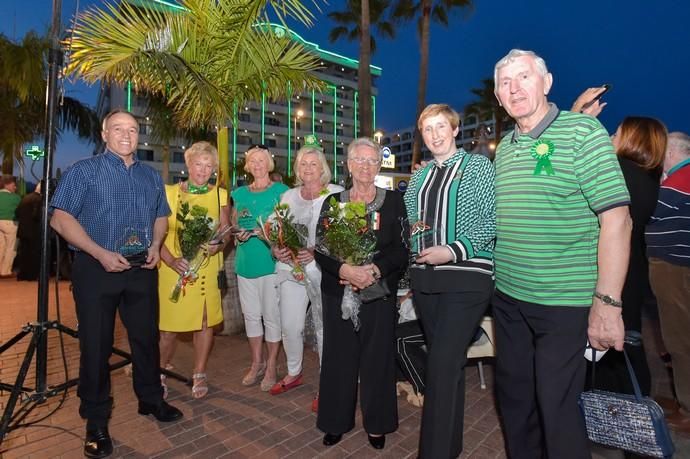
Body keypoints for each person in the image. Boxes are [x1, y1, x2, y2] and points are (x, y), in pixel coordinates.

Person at [492, 49, 632, 459]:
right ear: (499, 97)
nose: (515, 88)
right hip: (509, 299)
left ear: (546, 82)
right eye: (505, 82)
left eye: (523, 77)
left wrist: (607, 304)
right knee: (515, 402)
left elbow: (617, 220)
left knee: (557, 409)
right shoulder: (506, 146)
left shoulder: (582, 134)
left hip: (564, 303)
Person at [50, 110, 183, 459]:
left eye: (133, 129)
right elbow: (60, 218)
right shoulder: (84, 171)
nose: (126, 135)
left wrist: (156, 246)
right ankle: (95, 421)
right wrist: (98, 253)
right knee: (96, 346)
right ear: (105, 133)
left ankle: (151, 400)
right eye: (118, 129)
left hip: (142, 268)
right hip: (96, 269)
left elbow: (160, 217)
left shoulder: (150, 176)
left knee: (145, 340)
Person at [404, 103, 496, 458]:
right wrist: (416, 245)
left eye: (441, 126)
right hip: (425, 281)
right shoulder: (419, 177)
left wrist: (453, 250)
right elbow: (412, 224)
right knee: (450, 363)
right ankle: (451, 446)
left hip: (467, 278)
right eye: (428, 129)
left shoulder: (478, 167)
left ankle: (434, 452)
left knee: (441, 362)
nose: (435, 135)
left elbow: (492, 220)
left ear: (455, 130)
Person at [314, 137, 408, 450]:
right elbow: (321, 250)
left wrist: (374, 270)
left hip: (378, 292)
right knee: (338, 359)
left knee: (377, 359)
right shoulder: (333, 202)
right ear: (350, 164)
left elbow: (401, 249)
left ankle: (377, 424)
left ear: (379, 166)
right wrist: (345, 270)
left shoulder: (394, 202)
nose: (366, 167)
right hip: (339, 292)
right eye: (360, 160)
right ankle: (335, 422)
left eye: (372, 161)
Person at [590, 117, 666, 397]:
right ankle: (636, 403)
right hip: (633, 267)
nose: (611, 136)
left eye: (618, 132)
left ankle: (612, 410)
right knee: (629, 337)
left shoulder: (619, 171)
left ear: (633, 139)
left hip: (611, 267)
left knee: (606, 342)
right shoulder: (648, 176)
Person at [270, 142, 343, 402]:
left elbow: (344, 235)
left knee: (325, 328)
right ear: (297, 169)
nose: (308, 168)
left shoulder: (336, 194)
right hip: (291, 269)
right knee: (290, 326)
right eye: (303, 164)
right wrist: (276, 249)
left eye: (314, 163)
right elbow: (275, 229)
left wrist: (316, 251)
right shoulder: (287, 196)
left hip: (323, 270)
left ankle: (328, 383)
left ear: (323, 168)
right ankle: (293, 372)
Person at [158, 141, 230, 400]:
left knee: (203, 322)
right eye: (198, 164)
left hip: (205, 268)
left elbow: (225, 231)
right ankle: (161, 369)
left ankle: (199, 372)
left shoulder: (220, 195)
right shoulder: (167, 192)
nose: (203, 170)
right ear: (188, 164)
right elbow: (156, 233)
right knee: (168, 328)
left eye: (208, 166)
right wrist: (170, 259)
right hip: (172, 267)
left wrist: (217, 246)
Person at [232, 144, 288, 391]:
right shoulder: (240, 193)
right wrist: (238, 234)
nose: (257, 165)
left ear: (269, 163)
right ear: (248, 165)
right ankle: (257, 363)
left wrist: (266, 233)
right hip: (245, 264)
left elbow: (288, 227)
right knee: (252, 317)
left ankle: (272, 363)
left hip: (271, 263)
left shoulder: (282, 191)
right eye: (253, 161)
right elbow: (233, 225)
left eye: (261, 160)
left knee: (271, 317)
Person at [646, 131, 690, 435]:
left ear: (672, 151)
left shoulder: (678, 181)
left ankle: (687, 410)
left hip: (673, 269)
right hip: (679, 266)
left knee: (678, 340)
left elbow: (646, 212)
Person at [15, 182, 43, 281]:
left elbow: (17, 212)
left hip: (22, 230)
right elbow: (36, 215)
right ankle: (31, 275)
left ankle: (22, 274)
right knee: (33, 254)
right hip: (34, 231)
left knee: (23, 253)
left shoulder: (25, 198)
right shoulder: (39, 199)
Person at [0, 175, 20, 278]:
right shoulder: (15, 197)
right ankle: (5, 271)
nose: (15, 187)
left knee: (1, 247)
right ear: (7, 184)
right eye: (13, 185)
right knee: (11, 248)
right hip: (10, 223)